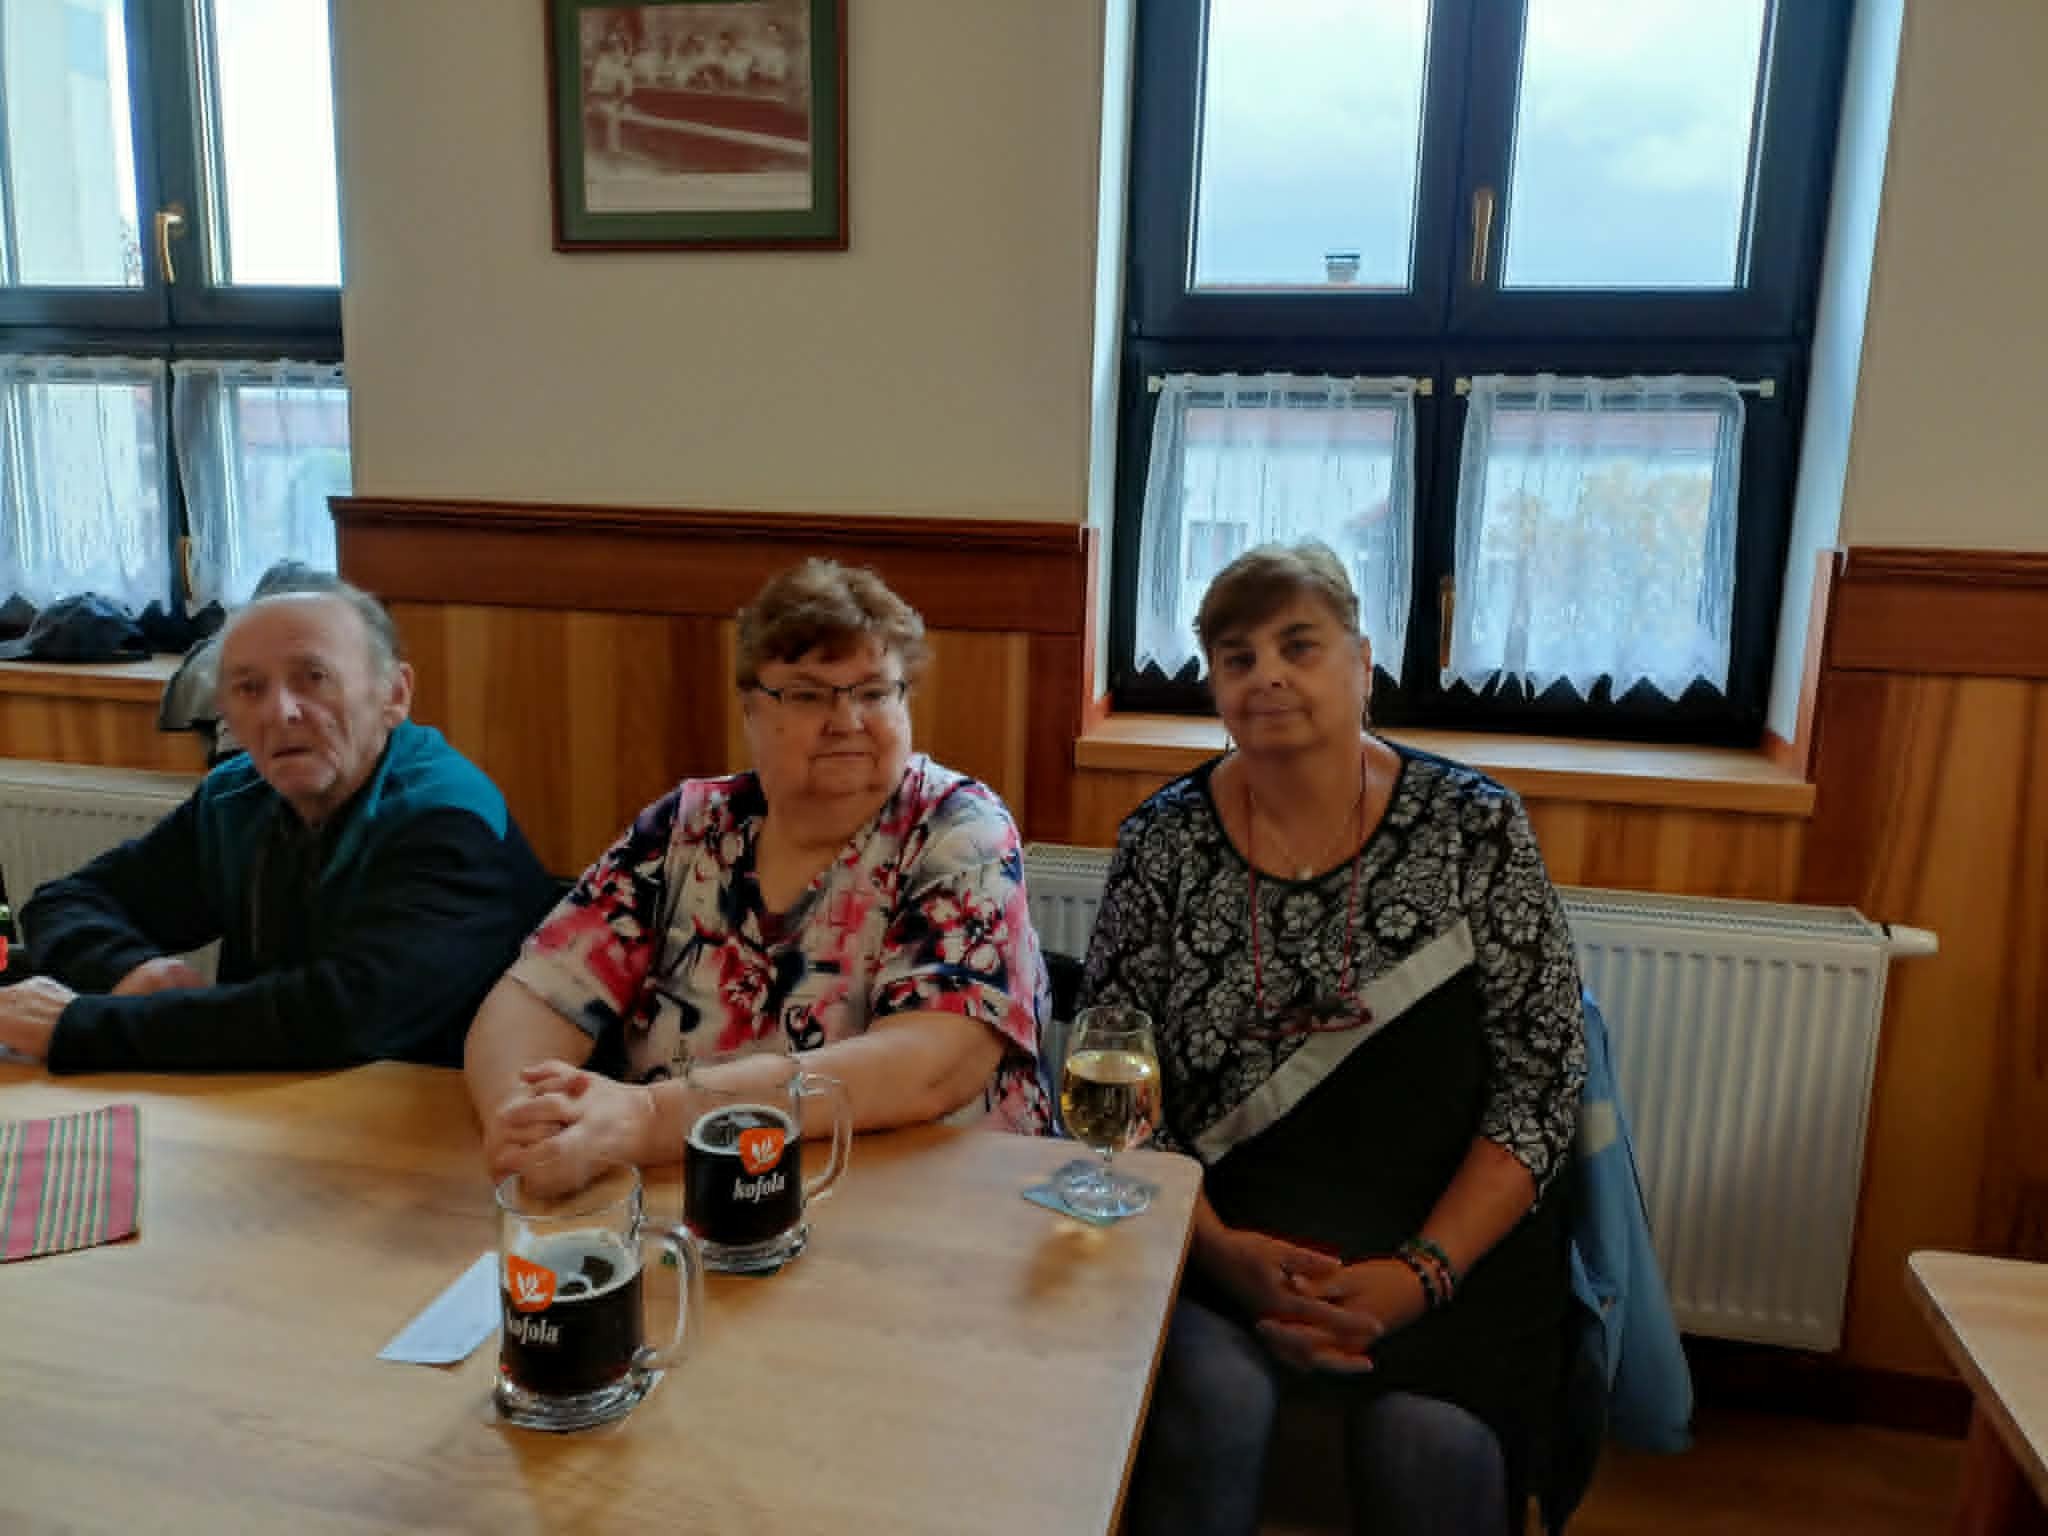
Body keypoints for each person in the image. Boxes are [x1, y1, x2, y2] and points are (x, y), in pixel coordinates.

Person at [1083, 543, 1586, 1536]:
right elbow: (1113, 1087)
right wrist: (1215, 1251)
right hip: (1216, 1236)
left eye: (1298, 645)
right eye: (1236, 657)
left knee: (1429, 1446)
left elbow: (1540, 1084)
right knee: (1213, 1403)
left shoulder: (1474, 827)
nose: (1266, 675)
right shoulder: (1161, 844)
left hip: (1445, 1240)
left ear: (1362, 664)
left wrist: (1418, 1275)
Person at [468, 559, 1050, 1196]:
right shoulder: (687, 829)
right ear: (750, 708)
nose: (847, 720)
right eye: (807, 694)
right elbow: (532, 997)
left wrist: (650, 1119)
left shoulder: (959, 829)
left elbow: (933, 1068)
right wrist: (528, 1122)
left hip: (923, 1208)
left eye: (873, 692)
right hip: (694, 1200)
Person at [0, 580, 555, 1073]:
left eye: (314, 678)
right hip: (285, 1107)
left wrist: (83, 1027)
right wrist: (131, 971)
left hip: (455, 1121)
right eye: (249, 688)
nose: (280, 712)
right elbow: (67, 901)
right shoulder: (236, 798)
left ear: (394, 695)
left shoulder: (449, 819)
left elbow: (345, 1018)